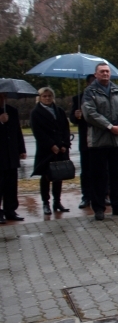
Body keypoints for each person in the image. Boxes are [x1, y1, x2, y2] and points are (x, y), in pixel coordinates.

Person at [82, 63, 118, 221]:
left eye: (107, 71)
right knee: (98, 176)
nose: (105, 74)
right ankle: (99, 208)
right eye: (102, 72)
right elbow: (89, 113)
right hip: (99, 141)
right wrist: (109, 126)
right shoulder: (89, 92)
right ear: (96, 74)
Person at [30, 87, 72, 216]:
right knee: (46, 177)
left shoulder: (59, 111)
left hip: (60, 149)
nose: (47, 98)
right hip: (46, 150)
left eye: (49, 96)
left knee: (58, 176)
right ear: (40, 97)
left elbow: (65, 128)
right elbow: (38, 132)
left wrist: (65, 144)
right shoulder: (36, 112)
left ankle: (57, 202)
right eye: (44, 96)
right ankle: (45, 203)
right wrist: (51, 145)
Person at [70, 74, 98, 208]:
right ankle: (86, 196)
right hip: (86, 140)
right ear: (87, 84)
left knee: (101, 170)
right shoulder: (78, 99)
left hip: (100, 139)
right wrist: (76, 117)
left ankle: (102, 195)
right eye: (91, 82)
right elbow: (72, 119)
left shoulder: (102, 96)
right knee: (86, 170)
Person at [0, 92, 26, 223]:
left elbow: (17, 131)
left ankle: (10, 210)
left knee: (11, 185)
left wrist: (21, 149)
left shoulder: (12, 111)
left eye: (3, 96)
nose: (2, 99)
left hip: (11, 154)